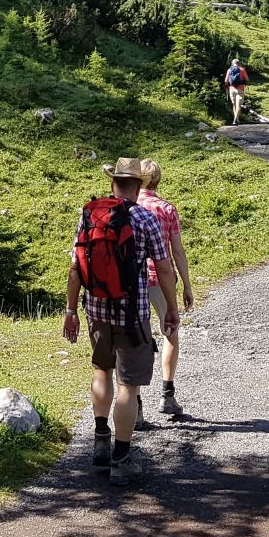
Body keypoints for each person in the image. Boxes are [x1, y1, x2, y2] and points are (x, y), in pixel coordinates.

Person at [62, 157, 178, 486]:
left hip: (96, 311)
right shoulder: (144, 217)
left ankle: (100, 440)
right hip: (133, 313)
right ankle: (122, 458)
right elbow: (164, 267)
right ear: (138, 186)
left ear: (113, 183)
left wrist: (71, 311)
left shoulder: (90, 215)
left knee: (102, 372)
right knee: (128, 386)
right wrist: (171, 307)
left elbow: (75, 268)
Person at [137, 160, 194, 417]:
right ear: (157, 180)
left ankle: (135, 407)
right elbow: (178, 252)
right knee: (170, 330)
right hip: (162, 279)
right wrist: (187, 286)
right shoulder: (166, 209)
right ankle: (166, 395)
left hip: (133, 281)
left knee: (134, 339)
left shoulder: (128, 207)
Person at [224, 58, 249, 125]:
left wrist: (227, 86)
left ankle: (237, 119)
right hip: (240, 89)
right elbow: (247, 79)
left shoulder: (229, 70)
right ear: (239, 63)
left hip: (231, 89)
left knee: (234, 105)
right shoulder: (242, 69)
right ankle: (235, 120)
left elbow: (226, 81)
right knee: (239, 105)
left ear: (232, 63)